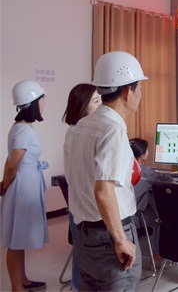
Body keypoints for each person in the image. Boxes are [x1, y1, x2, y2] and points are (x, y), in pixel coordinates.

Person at [64, 51, 148, 291]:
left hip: (84, 236)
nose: (141, 94)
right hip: (109, 236)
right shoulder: (113, 130)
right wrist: (121, 239)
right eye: (140, 88)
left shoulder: (79, 127)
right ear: (127, 91)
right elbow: (103, 191)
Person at [1, 80, 49, 292]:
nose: (44, 104)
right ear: (33, 103)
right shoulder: (23, 131)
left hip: (22, 185)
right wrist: (5, 185)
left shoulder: (21, 128)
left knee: (18, 238)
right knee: (15, 239)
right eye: (42, 100)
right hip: (21, 187)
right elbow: (13, 164)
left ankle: (22, 280)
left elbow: (9, 161)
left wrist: (4, 184)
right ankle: (16, 286)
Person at [62, 83, 102, 291]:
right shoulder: (78, 133)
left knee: (83, 256)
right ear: (81, 105)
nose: (100, 105)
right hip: (86, 206)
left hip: (80, 204)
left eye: (100, 100)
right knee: (84, 257)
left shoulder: (76, 132)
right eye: (95, 101)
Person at [129, 137, 173, 267]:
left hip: (120, 216)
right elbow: (168, 181)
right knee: (162, 218)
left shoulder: (119, 167)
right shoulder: (146, 172)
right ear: (142, 155)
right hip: (135, 217)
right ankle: (157, 257)